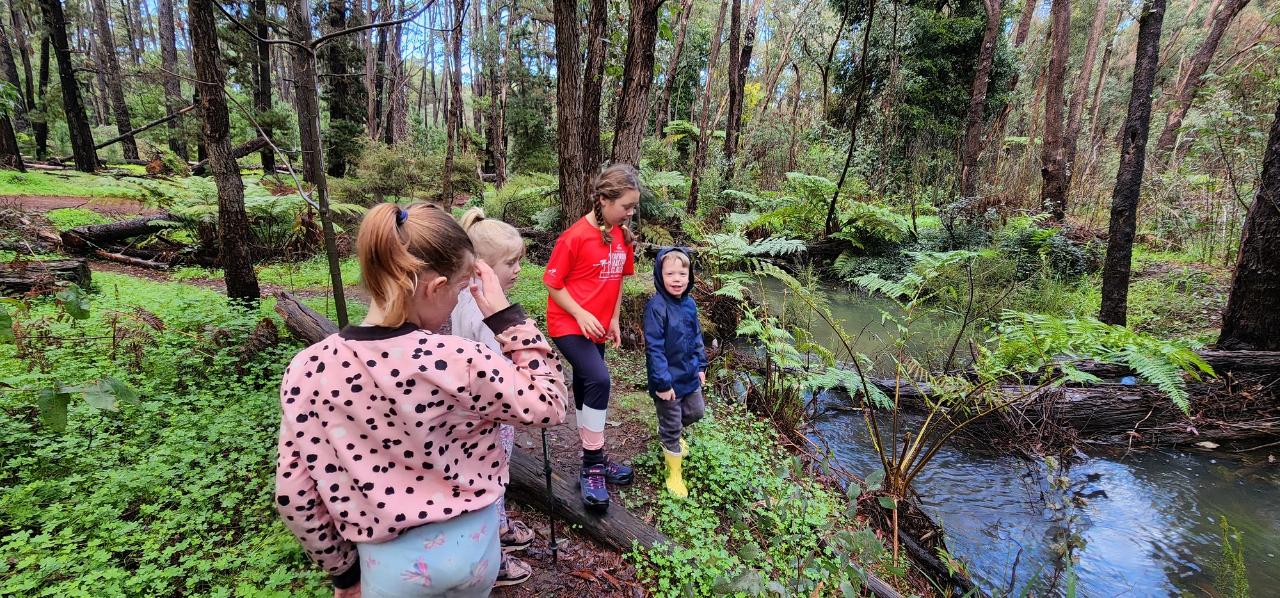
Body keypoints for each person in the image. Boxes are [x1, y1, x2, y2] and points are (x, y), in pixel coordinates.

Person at [274, 202, 568, 598]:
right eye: (461, 289)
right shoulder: (458, 359)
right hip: (475, 547)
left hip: (391, 565)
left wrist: (344, 574)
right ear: (433, 287)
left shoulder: (308, 370)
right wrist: (507, 317)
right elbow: (549, 403)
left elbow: (294, 493)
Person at [543, 164, 641, 512]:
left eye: (633, 207)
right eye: (626, 206)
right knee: (599, 378)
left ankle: (593, 456)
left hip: (597, 326)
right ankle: (592, 465)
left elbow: (618, 282)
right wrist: (581, 313)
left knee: (587, 383)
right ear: (603, 199)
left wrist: (612, 319)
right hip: (568, 325)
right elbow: (553, 284)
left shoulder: (621, 237)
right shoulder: (573, 237)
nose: (631, 213)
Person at [450, 207, 535, 587]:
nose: (518, 269)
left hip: (481, 413)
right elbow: (496, 374)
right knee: (492, 480)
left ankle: (498, 528)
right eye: (511, 262)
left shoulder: (471, 301)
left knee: (495, 478)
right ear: (482, 267)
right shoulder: (483, 315)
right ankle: (493, 561)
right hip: (490, 417)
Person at [642, 248, 707, 498]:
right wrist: (662, 382)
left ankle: (673, 433)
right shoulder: (656, 307)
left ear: (690, 275)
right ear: (660, 275)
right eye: (670, 273)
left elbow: (696, 336)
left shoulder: (690, 304)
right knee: (671, 425)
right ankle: (674, 473)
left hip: (689, 374)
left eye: (682, 273)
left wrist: (701, 365)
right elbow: (654, 348)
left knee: (696, 411)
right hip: (667, 380)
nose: (677, 279)